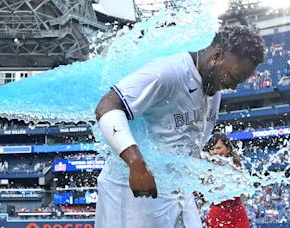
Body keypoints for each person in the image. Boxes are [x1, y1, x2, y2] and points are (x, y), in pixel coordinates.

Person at [94, 25, 265, 228]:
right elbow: (107, 105)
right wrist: (135, 163)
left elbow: (183, 144)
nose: (233, 87)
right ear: (217, 56)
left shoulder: (213, 89)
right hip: (133, 189)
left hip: (176, 190)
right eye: (233, 78)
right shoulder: (168, 71)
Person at [203, 133, 249, 228]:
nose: (215, 151)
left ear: (228, 149)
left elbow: (246, 195)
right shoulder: (205, 170)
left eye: (218, 148)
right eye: (212, 149)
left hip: (238, 214)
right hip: (217, 214)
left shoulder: (238, 168)